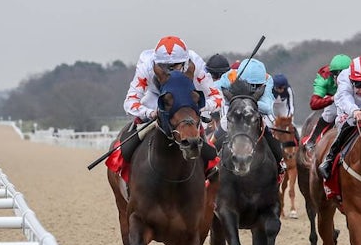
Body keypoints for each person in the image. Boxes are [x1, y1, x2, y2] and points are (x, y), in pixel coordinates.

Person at [116, 35, 221, 175]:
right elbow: (130, 102)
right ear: (156, 63)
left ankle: (211, 170)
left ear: (185, 62)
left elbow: (217, 98)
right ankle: (122, 164)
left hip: (186, 101)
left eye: (175, 66)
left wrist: (197, 107)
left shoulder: (196, 64)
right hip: (156, 98)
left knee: (199, 135)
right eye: (164, 67)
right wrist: (149, 113)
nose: (170, 70)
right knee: (128, 148)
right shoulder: (146, 66)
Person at [214, 58, 286, 176]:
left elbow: (267, 107)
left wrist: (248, 102)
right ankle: (211, 158)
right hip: (231, 104)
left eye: (257, 85)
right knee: (225, 124)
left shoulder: (267, 79)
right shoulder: (230, 76)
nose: (254, 88)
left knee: (270, 124)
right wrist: (236, 101)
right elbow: (215, 89)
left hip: (257, 107)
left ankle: (279, 163)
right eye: (250, 85)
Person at [304, 54, 352, 151]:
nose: (341, 79)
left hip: (351, 95)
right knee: (331, 113)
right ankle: (312, 139)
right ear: (331, 74)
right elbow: (314, 104)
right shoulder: (324, 78)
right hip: (332, 97)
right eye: (337, 76)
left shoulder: (357, 75)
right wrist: (331, 99)